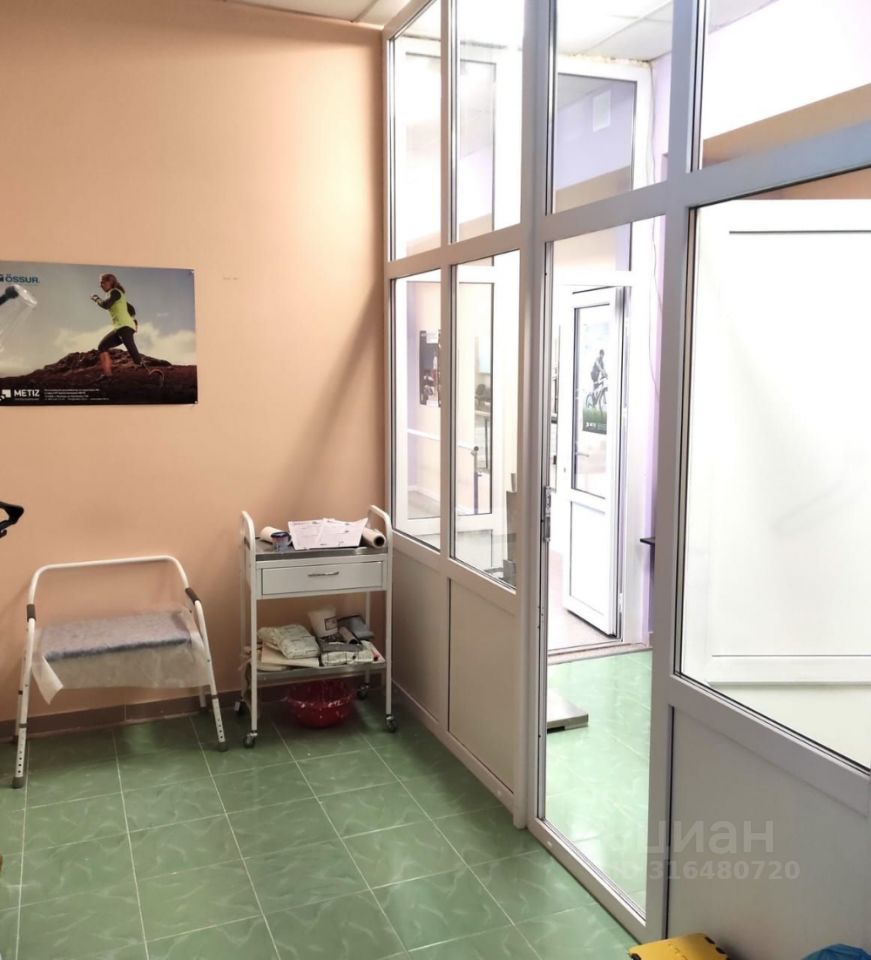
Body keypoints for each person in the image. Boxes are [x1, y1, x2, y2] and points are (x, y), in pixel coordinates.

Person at [90, 273, 157, 381]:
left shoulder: (115, 292)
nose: (100, 285)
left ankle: (153, 376)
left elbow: (106, 305)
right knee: (102, 346)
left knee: (133, 353)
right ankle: (107, 376)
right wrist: (133, 321)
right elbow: (132, 309)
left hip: (125, 327)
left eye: (102, 282)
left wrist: (96, 298)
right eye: (100, 283)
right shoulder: (116, 295)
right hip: (121, 328)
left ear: (110, 282)